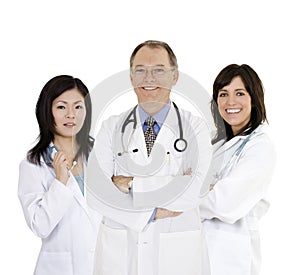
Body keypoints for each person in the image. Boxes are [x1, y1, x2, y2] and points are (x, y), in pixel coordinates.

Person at [90, 40, 212, 275]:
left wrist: (131, 184)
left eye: (158, 70)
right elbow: (97, 195)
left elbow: (196, 189)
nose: (149, 78)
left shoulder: (195, 128)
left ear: (174, 76)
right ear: (131, 77)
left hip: (176, 255)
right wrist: (155, 210)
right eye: (140, 70)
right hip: (120, 255)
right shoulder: (111, 127)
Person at [18, 75, 101, 275]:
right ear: (47, 112)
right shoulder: (33, 165)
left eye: (78, 107)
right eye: (62, 107)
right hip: (60, 269)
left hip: (104, 265)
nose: (71, 114)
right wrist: (60, 182)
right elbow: (40, 226)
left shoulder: (102, 156)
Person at [199, 64, 276, 275]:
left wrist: (195, 194)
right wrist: (206, 189)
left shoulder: (260, 146)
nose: (230, 102)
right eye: (223, 94)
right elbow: (185, 183)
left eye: (239, 93)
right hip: (199, 250)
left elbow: (224, 204)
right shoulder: (215, 145)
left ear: (254, 97)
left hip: (231, 255)